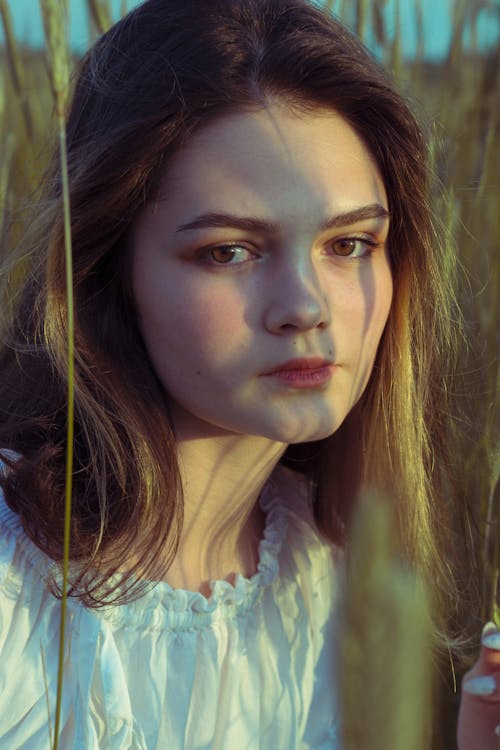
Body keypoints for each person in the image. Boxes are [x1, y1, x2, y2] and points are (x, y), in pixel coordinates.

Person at [0, 0, 491, 747]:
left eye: (351, 244)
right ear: (108, 273)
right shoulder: (15, 587)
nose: (305, 307)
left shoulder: (329, 575)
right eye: (229, 251)